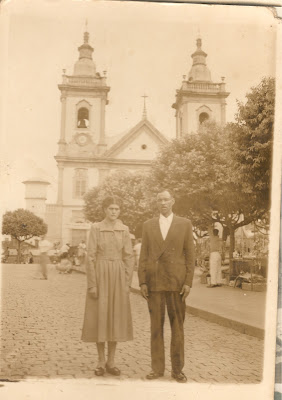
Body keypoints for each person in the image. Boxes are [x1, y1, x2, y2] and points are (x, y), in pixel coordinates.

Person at [138, 189, 195, 383]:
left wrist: (188, 282)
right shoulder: (148, 225)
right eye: (160, 200)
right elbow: (143, 255)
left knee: (177, 328)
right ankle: (157, 368)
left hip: (176, 284)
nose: (163, 203)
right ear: (157, 203)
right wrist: (142, 281)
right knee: (156, 327)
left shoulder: (185, 224)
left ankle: (177, 369)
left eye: (166, 199)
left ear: (173, 201)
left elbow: (190, 255)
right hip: (154, 283)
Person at [81, 196, 134, 377]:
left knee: (115, 319)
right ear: (105, 209)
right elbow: (90, 257)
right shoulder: (96, 228)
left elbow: (129, 257)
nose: (113, 212)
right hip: (101, 275)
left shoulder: (124, 230)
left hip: (118, 277)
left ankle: (112, 361)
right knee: (100, 318)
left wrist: (127, 282)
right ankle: (100, 361)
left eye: (117, 209)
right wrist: (92, 284)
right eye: (111, 208)